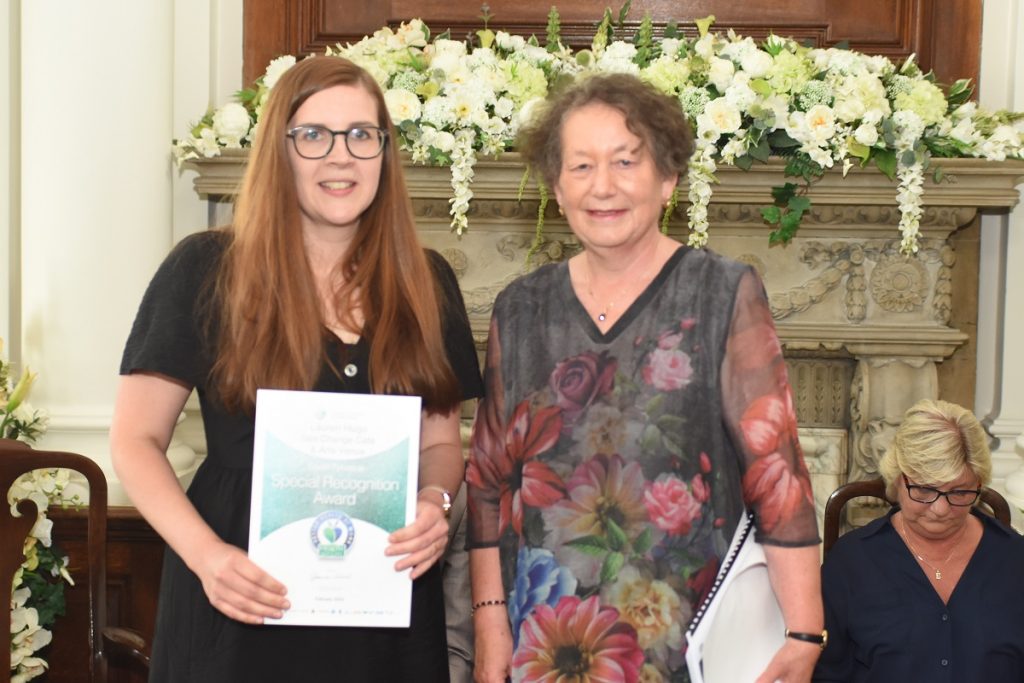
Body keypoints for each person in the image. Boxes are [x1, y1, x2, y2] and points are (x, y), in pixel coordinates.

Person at [110, 55, 482, 683]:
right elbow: (134, 439)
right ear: (280, 151)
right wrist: (208, 559)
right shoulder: (205, 270)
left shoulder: (428, 282)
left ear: (385, 154)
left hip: (383, 596)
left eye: (362, 135)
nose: (341, 156)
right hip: (238, 592)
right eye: (313, 135)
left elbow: (442, 441)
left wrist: (433, 502)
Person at [465, 72, 824, 683]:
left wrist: (804, 631)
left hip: (686, 641)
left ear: (668, 179)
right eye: (580, 167)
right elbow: (487, 483)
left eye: (625, 161)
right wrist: (491, 623)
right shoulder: (520, 307)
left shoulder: (722, 292)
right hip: (547, 643)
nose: (602, 186)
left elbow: (777, 471)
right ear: (555, 187)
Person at [814, 399, 1024, 682]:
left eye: (959, 492)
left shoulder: (1014, 560)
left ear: (979, 484)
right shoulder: (851, 564)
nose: (940, 509)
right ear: (897, 480)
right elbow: (824, 672)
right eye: (925, 490)